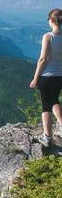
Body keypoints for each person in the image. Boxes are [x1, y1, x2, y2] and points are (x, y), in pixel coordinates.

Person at [30, 8, 62, 147]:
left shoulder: (48, 36)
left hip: (47, 76)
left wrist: (35, 78)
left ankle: (48, 138)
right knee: (54, 100)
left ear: (51, 20)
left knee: (46, 107)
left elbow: (43, 59)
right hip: (60, 76)